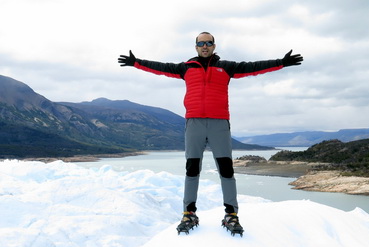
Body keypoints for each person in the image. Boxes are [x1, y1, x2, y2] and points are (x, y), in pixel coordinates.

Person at [118, 32, 303, 236]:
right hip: (194, 123)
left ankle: (231, 214)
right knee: (192, 169)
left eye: (208, 43)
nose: (204, 46)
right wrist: (136, 62)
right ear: (195, 47)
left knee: (226, 170)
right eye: (201, 43)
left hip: (219, 124)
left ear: (214, 46)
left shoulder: (227, 67)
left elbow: (253, 67)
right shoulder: (185, 68)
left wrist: (281, 63)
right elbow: (160, 68)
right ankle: (189, 213)